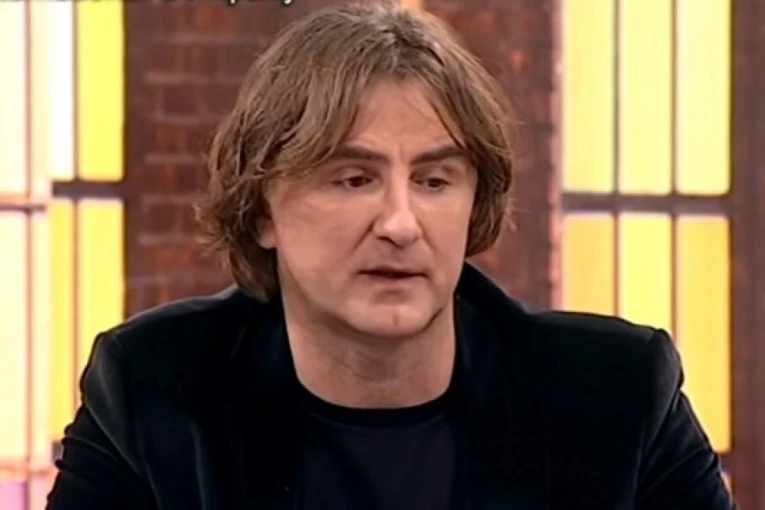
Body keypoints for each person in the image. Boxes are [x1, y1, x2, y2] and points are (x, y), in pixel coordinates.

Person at [47, 3, 737, 509]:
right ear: (262, 211)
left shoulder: (615, 398)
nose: (401, 224)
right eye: (353, 179)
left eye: (434, 181)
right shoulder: (153, 390)